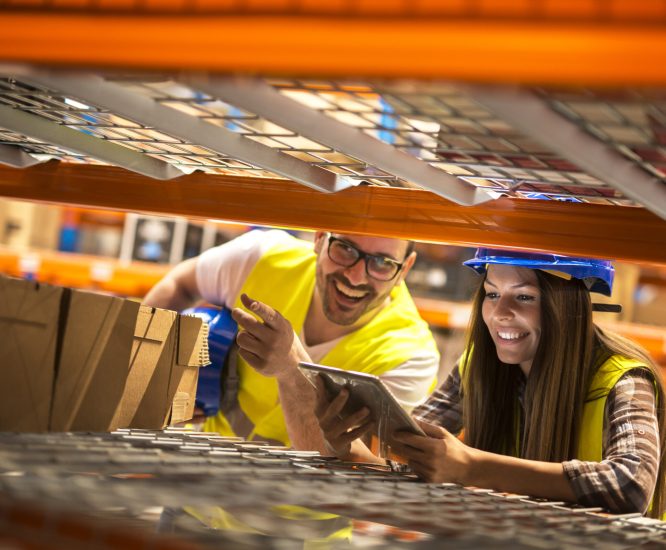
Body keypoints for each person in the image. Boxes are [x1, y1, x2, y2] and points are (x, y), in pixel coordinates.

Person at [314, 248, 665, 518]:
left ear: (570, 305)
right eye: (493, 294)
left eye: (524, 296)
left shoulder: (623, 379)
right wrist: (351, 442)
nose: (499, 314)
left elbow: (631, 484)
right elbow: (412, 448)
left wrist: (473, 467)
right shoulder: (478, 366)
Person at [143, 228, 439, 452]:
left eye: (383, 263)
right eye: (346, 249)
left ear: (406, 268)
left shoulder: (410, 356)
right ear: (320, 238)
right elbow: (178, 284)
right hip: (192, 500)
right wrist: (148, 381)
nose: (357, 276)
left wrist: (290, 369)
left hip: (296, 529)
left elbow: (352, 469)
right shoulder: (262, 257)